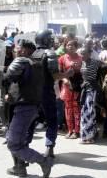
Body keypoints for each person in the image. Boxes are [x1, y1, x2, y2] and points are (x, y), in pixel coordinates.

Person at [4, 39, 53, 178]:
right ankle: (19, 168)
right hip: (26, 108)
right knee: (17, 141)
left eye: (17, 48)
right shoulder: (34, 64)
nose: (15, 51)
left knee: (13, 144)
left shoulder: (22, 62)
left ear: (24, 50)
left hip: (23, 109)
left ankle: (44, 161)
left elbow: (7, 77)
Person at [33, 30, 74, 158]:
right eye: (50, 38)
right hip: (46, 92)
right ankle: (49, 148)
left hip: (33, 92)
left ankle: (23, 148)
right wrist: (66, 74)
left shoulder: (33, 53)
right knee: (52, 120)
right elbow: (55, 75)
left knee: (30, 121)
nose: (52, 40)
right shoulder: (50, 53)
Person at [79, 47, 107, 144]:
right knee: (85, 113)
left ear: (89, 54)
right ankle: (86, 136)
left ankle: (90, 137)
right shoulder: (82, 62)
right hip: (85, 90)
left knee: (89, 113)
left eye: (84, 53)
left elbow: (106, 65)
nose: (82, 55)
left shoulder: (95, 62)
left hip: (93, 90)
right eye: (81, 53)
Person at [58, 40, 82, 139]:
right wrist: (65, 80)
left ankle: (77, 131)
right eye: (68, 45)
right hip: (67, 86)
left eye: (72, 45)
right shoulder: (62, 58)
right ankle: (70, 130)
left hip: (77, 86)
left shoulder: (81, 58)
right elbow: (59, 73)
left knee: (77, 108)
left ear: (76, 47)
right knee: (68, 109)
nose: (70, 47)